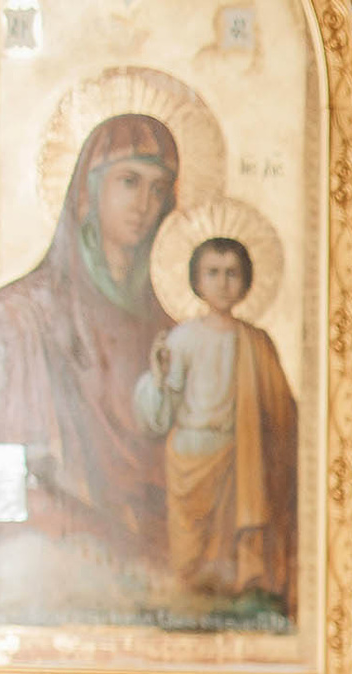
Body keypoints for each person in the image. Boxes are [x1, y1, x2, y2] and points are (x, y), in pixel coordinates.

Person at [0, 113, 179, 625]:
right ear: (86, 191)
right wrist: (109, 540)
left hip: (155, 574)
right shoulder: (17, 316)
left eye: (159, 188)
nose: (144, 203)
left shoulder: (171, 336)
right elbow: (0, 486)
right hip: (54, 565)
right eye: (129, 181)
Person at [133, 235, 299, 619]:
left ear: (247, 281)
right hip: (192, 453)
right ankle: (191, 602)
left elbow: (281, 413)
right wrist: (158, 380)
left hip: (242, 456)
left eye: (232, 273)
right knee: (192, 547)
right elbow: (160, 413)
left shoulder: (257, 342)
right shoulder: (184, 338)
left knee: (233, 547)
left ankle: (234, 601)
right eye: (213, 273)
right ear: (197, 280)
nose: (223, 283)